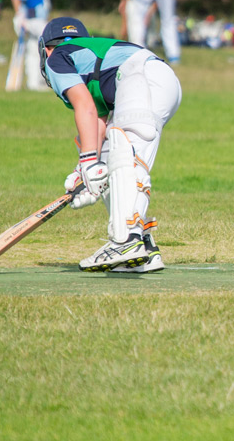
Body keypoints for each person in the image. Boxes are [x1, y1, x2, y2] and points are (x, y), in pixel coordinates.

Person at [39, 16, 182, 272]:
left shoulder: (56, 57)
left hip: (139, 79)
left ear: (46, 48)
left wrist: (88, 161)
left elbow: (84, 106)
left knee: (124, 154)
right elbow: (98, 124)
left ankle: (126, 239)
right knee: (110, 154)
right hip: (160, 80)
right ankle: (143, 248)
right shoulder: (94, 58)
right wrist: (84, 169)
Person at [11, 0, 52, 90]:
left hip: (39, 19)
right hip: (29, 19)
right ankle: (34, 82)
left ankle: (37, 81)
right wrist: (20, 16)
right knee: (39, 47)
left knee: (37, 49)